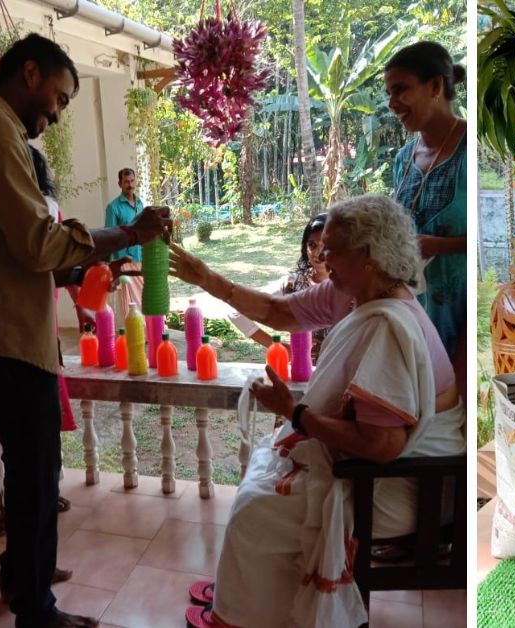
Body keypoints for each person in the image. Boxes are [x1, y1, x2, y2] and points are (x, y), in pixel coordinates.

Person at [0, 33, 171, 628]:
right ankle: (36, 610)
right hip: (5, 336)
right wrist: (128, 234)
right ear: (30, 74)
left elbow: (26, 248)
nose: (58, 112)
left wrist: (92, 259)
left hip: (8, 331)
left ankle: (22, 578)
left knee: (29, 467)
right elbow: (38, 244)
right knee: (37, 474)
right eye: (59, 97)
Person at [170, 194, 464, 628]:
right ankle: (249, 601)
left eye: (333, 248)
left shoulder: (385, 324)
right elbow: (277, 311)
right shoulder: (359, 294)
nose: (321, 256)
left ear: (367, 256)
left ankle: (242, 615)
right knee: (261, 476)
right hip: (393, 469)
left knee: (254, 510)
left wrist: (296, 413)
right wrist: (206, 278)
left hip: (405, 486)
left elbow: (383, 446)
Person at [0, 146, 134, 537]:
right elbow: (30, 272)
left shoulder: (45, 212)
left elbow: (51, 269)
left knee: (41, 426)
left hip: (35, 335)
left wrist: (83, 283)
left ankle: (40, 494)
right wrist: (125, 238)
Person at [385, 41, 468, 393]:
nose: (392, 104)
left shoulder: (470, 147)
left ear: (435, 86)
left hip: (460, 316)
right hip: (410, 317)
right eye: (389, 93)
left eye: (401, 89)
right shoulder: (404, 159)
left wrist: (438, 245)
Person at [227, 213, 339, 362]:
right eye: (312, 245)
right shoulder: (292, 285)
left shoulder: (353, 289)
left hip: (344, 377)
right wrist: (275, 345)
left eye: (326, 246)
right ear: (304, 248)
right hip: (301, 376)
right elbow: (237, 311)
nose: (318, 253)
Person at [105, 167, 145, 314]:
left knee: (144, 300)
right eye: (126, 181)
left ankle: (146, 335)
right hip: (123, 262)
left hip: (140, 259)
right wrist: (109, 267)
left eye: (132, 181)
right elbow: (108, 237)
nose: (130, 185)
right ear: (120, 184)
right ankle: (130, 336)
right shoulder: (113, 207)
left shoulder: (140, 203)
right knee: (128, 306)